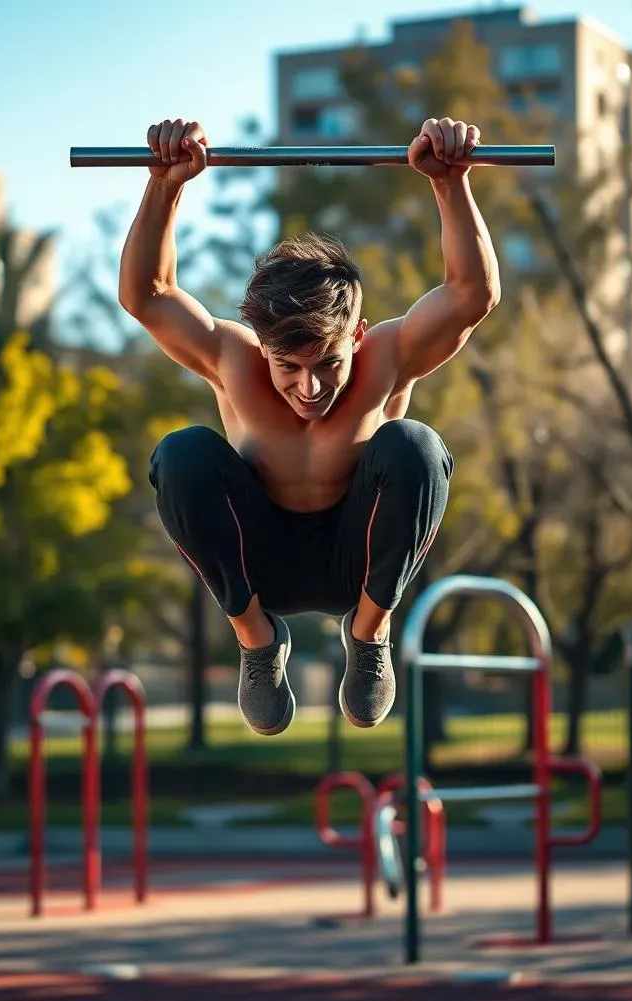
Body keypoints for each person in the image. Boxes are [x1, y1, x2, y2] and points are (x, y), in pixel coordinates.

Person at [119, 115, 500, 737]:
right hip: (258, 561)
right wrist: (166, 184)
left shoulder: (388, 357)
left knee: (416, 447)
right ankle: (258, 644)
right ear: (262, 346)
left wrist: (449, 183)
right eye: (287, 367)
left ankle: (369, 634)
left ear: (356, 335)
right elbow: (148, 294)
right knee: (180, 455)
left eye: (328, 363)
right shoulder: (233, 361)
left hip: (360, 559)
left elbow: (473, 294)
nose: (309, 388)